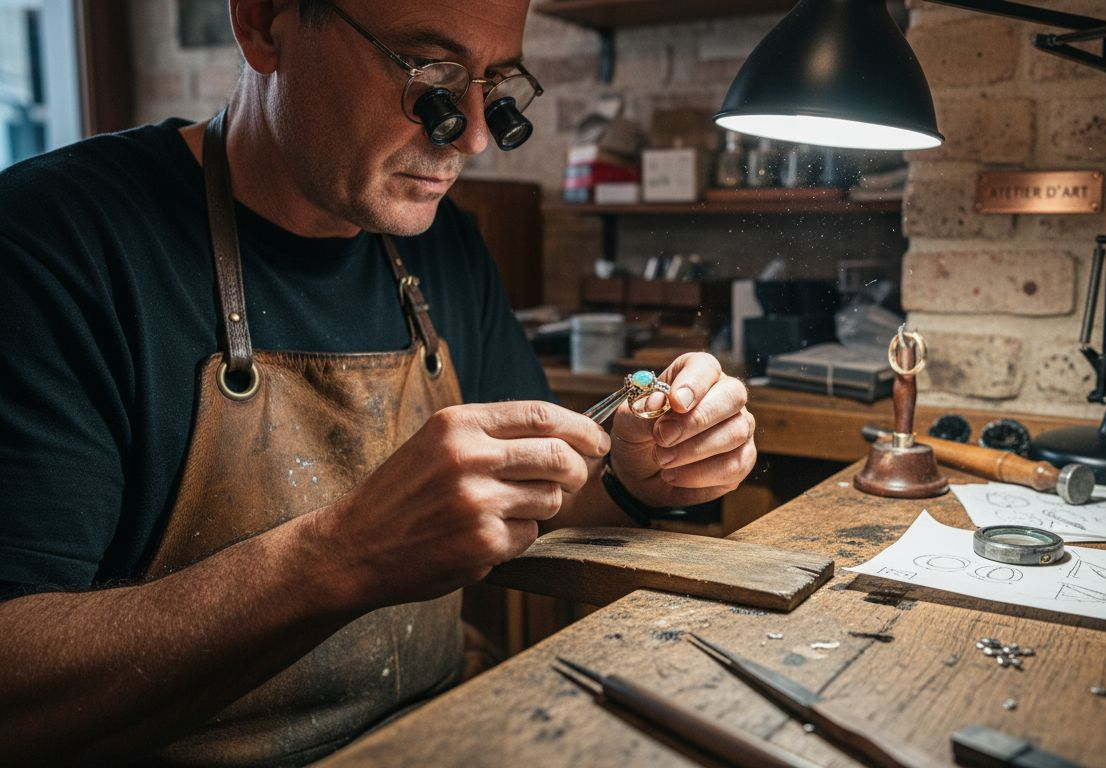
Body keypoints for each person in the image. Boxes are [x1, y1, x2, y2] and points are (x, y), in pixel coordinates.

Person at [0, 0, 756, 764]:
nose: (474, 134)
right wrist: (341, 557)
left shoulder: (442, 242)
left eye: (494, 85)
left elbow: (540, 500)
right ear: (264, 24)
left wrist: (635, 473)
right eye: (430, 77)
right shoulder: (51, 244)